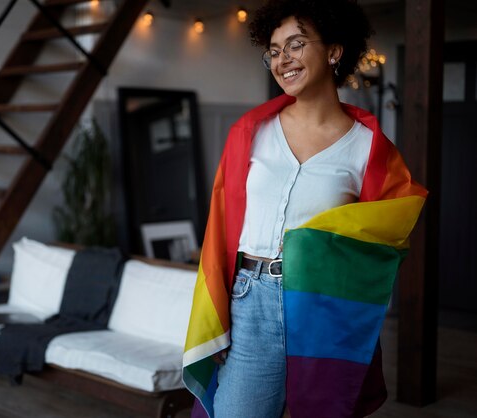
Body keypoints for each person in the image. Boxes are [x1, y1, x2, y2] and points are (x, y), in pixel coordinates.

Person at [181, 1, 428, 418]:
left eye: (296, 44)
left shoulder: (368, 149)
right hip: (250, 295)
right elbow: (222, 229)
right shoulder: (250, 133)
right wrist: (219, 314)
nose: (283, 60)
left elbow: (387, 235)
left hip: (322, 305)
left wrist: (322, 252)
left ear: (334, 51)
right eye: (274, 50)